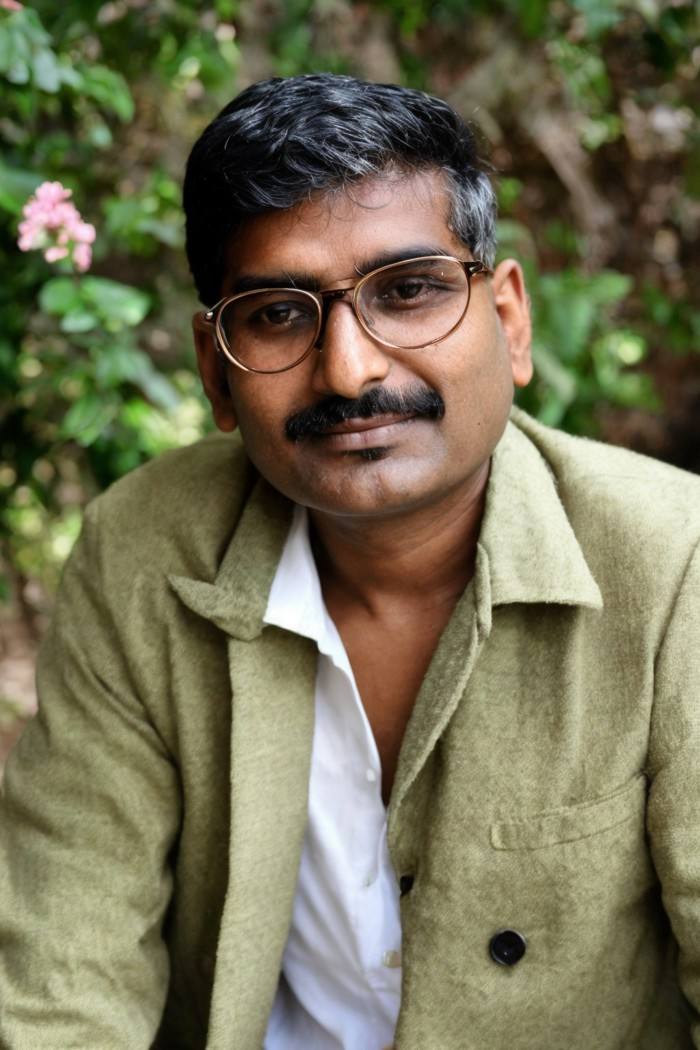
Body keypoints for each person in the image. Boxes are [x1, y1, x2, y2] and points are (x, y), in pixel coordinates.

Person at [0, 73, 699, 1050]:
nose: (350, 369)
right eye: (279, 314)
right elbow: (63, 978)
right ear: (215, 369)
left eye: (408, 291)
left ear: (508, 319)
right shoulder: (144, 553)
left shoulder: (674, 565)